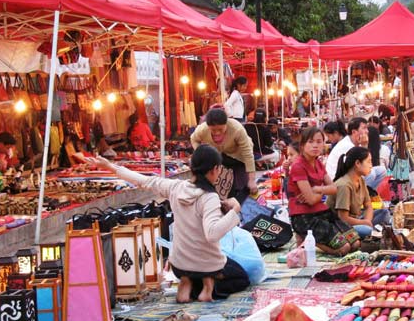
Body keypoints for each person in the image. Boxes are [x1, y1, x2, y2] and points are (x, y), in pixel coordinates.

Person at [88, 145, 249, 301]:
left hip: (179, 264)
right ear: (215, 169)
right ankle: (204, 288)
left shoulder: (175, 187)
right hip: (207, 266)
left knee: (195, 268)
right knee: (241, 278)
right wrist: (234, 210)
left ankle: (187, 281)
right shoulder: (209, 197)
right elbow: (212, 234)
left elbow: (143, 181)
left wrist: (110, 166)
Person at [287, 127, 360, 255]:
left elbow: (334, 188)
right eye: (310, 142)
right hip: (303, 216)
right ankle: (305, 237)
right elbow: (310, 200)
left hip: (321, 212)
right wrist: (321, 192)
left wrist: (316, 189)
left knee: (355, 242)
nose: (315, 145)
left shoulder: (318, 163)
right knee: (344, 248)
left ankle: (308, 238)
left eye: (319, 141)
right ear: (303, 145)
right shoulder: (298, 166)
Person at [190, 108, 256, 202]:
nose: (217, 133)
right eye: (213, 130)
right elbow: (193, 139)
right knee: (220, 187)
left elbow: (248, 154)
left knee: (242, 186)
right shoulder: (203, 129)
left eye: (220, 129)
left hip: (239, 156)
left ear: (226, 123)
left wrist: (252, 179)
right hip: (220, 156)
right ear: (208, 126)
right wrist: (201, 152)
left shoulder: (237, 129)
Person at [329, 146, 391, 238]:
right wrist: (364, 223)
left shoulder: (360, 180)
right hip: (340, 226)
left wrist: (367, 221)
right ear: (357, 163)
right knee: (367, 230)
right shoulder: (344, 185)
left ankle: (372, 230)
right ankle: (372, 231)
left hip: (357, 220)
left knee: (384, 212)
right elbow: (343, 218)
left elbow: (368, 205)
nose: (371, 165)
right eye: (369, 162)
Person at [326, 117, 386, 190]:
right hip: (338, 181)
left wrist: (364, 145)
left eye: (367, 128)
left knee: (382, 170)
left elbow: (367, 164)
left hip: (349, 177)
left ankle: (369, 194)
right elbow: (364, 167)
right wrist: (364, 145)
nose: (367, 131)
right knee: (371, 174)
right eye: (364, 128)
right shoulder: (347, 145)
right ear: (354, 132)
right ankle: (359, 196)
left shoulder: (356, 143)